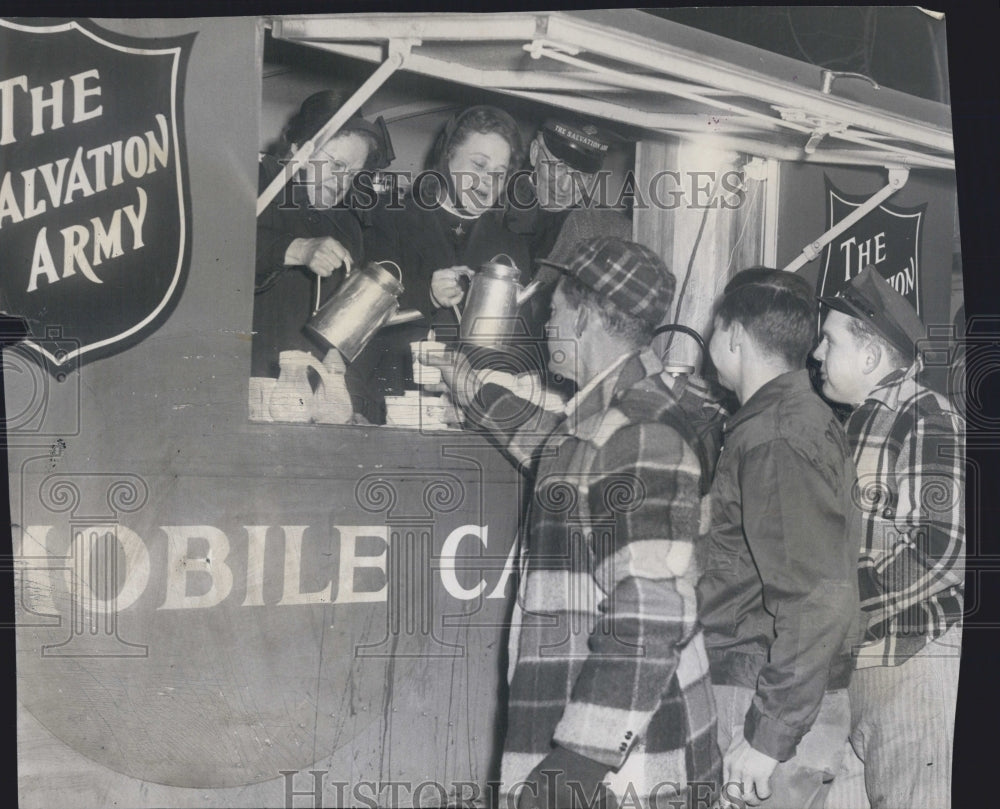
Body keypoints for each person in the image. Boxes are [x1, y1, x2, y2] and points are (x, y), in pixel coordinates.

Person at [429, 237, 722, 809]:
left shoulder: (641, 432)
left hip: (625, 759)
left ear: (586, 316)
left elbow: (652, 610)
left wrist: (579, 760)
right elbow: (561, 454)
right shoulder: (619, 411)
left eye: (558, 307)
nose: (547, 321)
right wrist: (470, 387)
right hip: (615, 742)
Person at [696, 268, 860, 809]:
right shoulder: (784, 420)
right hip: (772, 689)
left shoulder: (776, 434)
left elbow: (815, 596)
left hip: (761, 697)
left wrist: (767, 739)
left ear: (734, 336)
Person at [813, 266, 965, 809]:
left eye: (828, 341)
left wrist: (842, 606)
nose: (816, 354)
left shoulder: (926, 414)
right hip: (856, 669)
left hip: (911, 665)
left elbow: (940, 548)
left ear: (872, 357)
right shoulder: (849, 425)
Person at [364, 105, 532, 397]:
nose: (487, 182)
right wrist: (425, 295)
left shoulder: (510, 248)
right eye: (479, 165)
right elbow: (364, 311)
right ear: (448, 157)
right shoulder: (393, 219)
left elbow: (519, 347)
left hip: (472, 404)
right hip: (396, 398)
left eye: (499, 174)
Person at [253, 90, 394, 422]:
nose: (343, 181)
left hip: (320, 403)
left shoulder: (348, 226)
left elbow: (347, 340)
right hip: (254, 391)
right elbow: (217, 254)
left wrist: (354, 402)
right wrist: (297, 249)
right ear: (298, 152)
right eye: (338, 164)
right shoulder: (256, 187)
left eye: (353, 173)